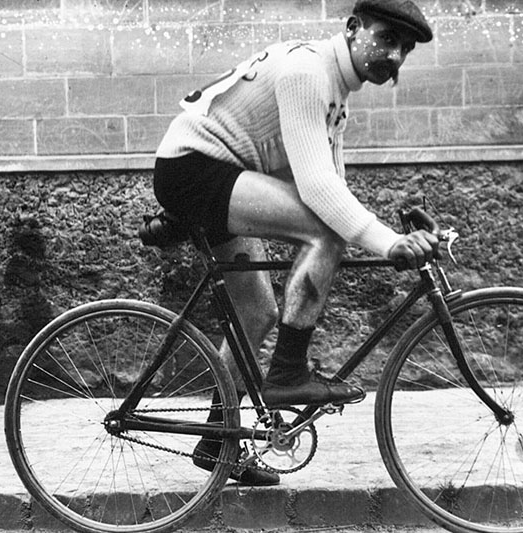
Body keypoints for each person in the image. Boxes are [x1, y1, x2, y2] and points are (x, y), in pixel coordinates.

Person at [154, 0, 438, 485]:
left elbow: (332, 182)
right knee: (325, 231)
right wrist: (388, 242)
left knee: (257, 313)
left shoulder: (335, 90)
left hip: (218, 172)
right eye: (387, 39)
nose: (395, 56)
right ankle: (286, 373)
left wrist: (388, 234)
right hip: (196, 168)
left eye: (405, 49)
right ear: (353, 28)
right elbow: (318, 191)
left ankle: (216, 441)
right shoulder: (309, 71)